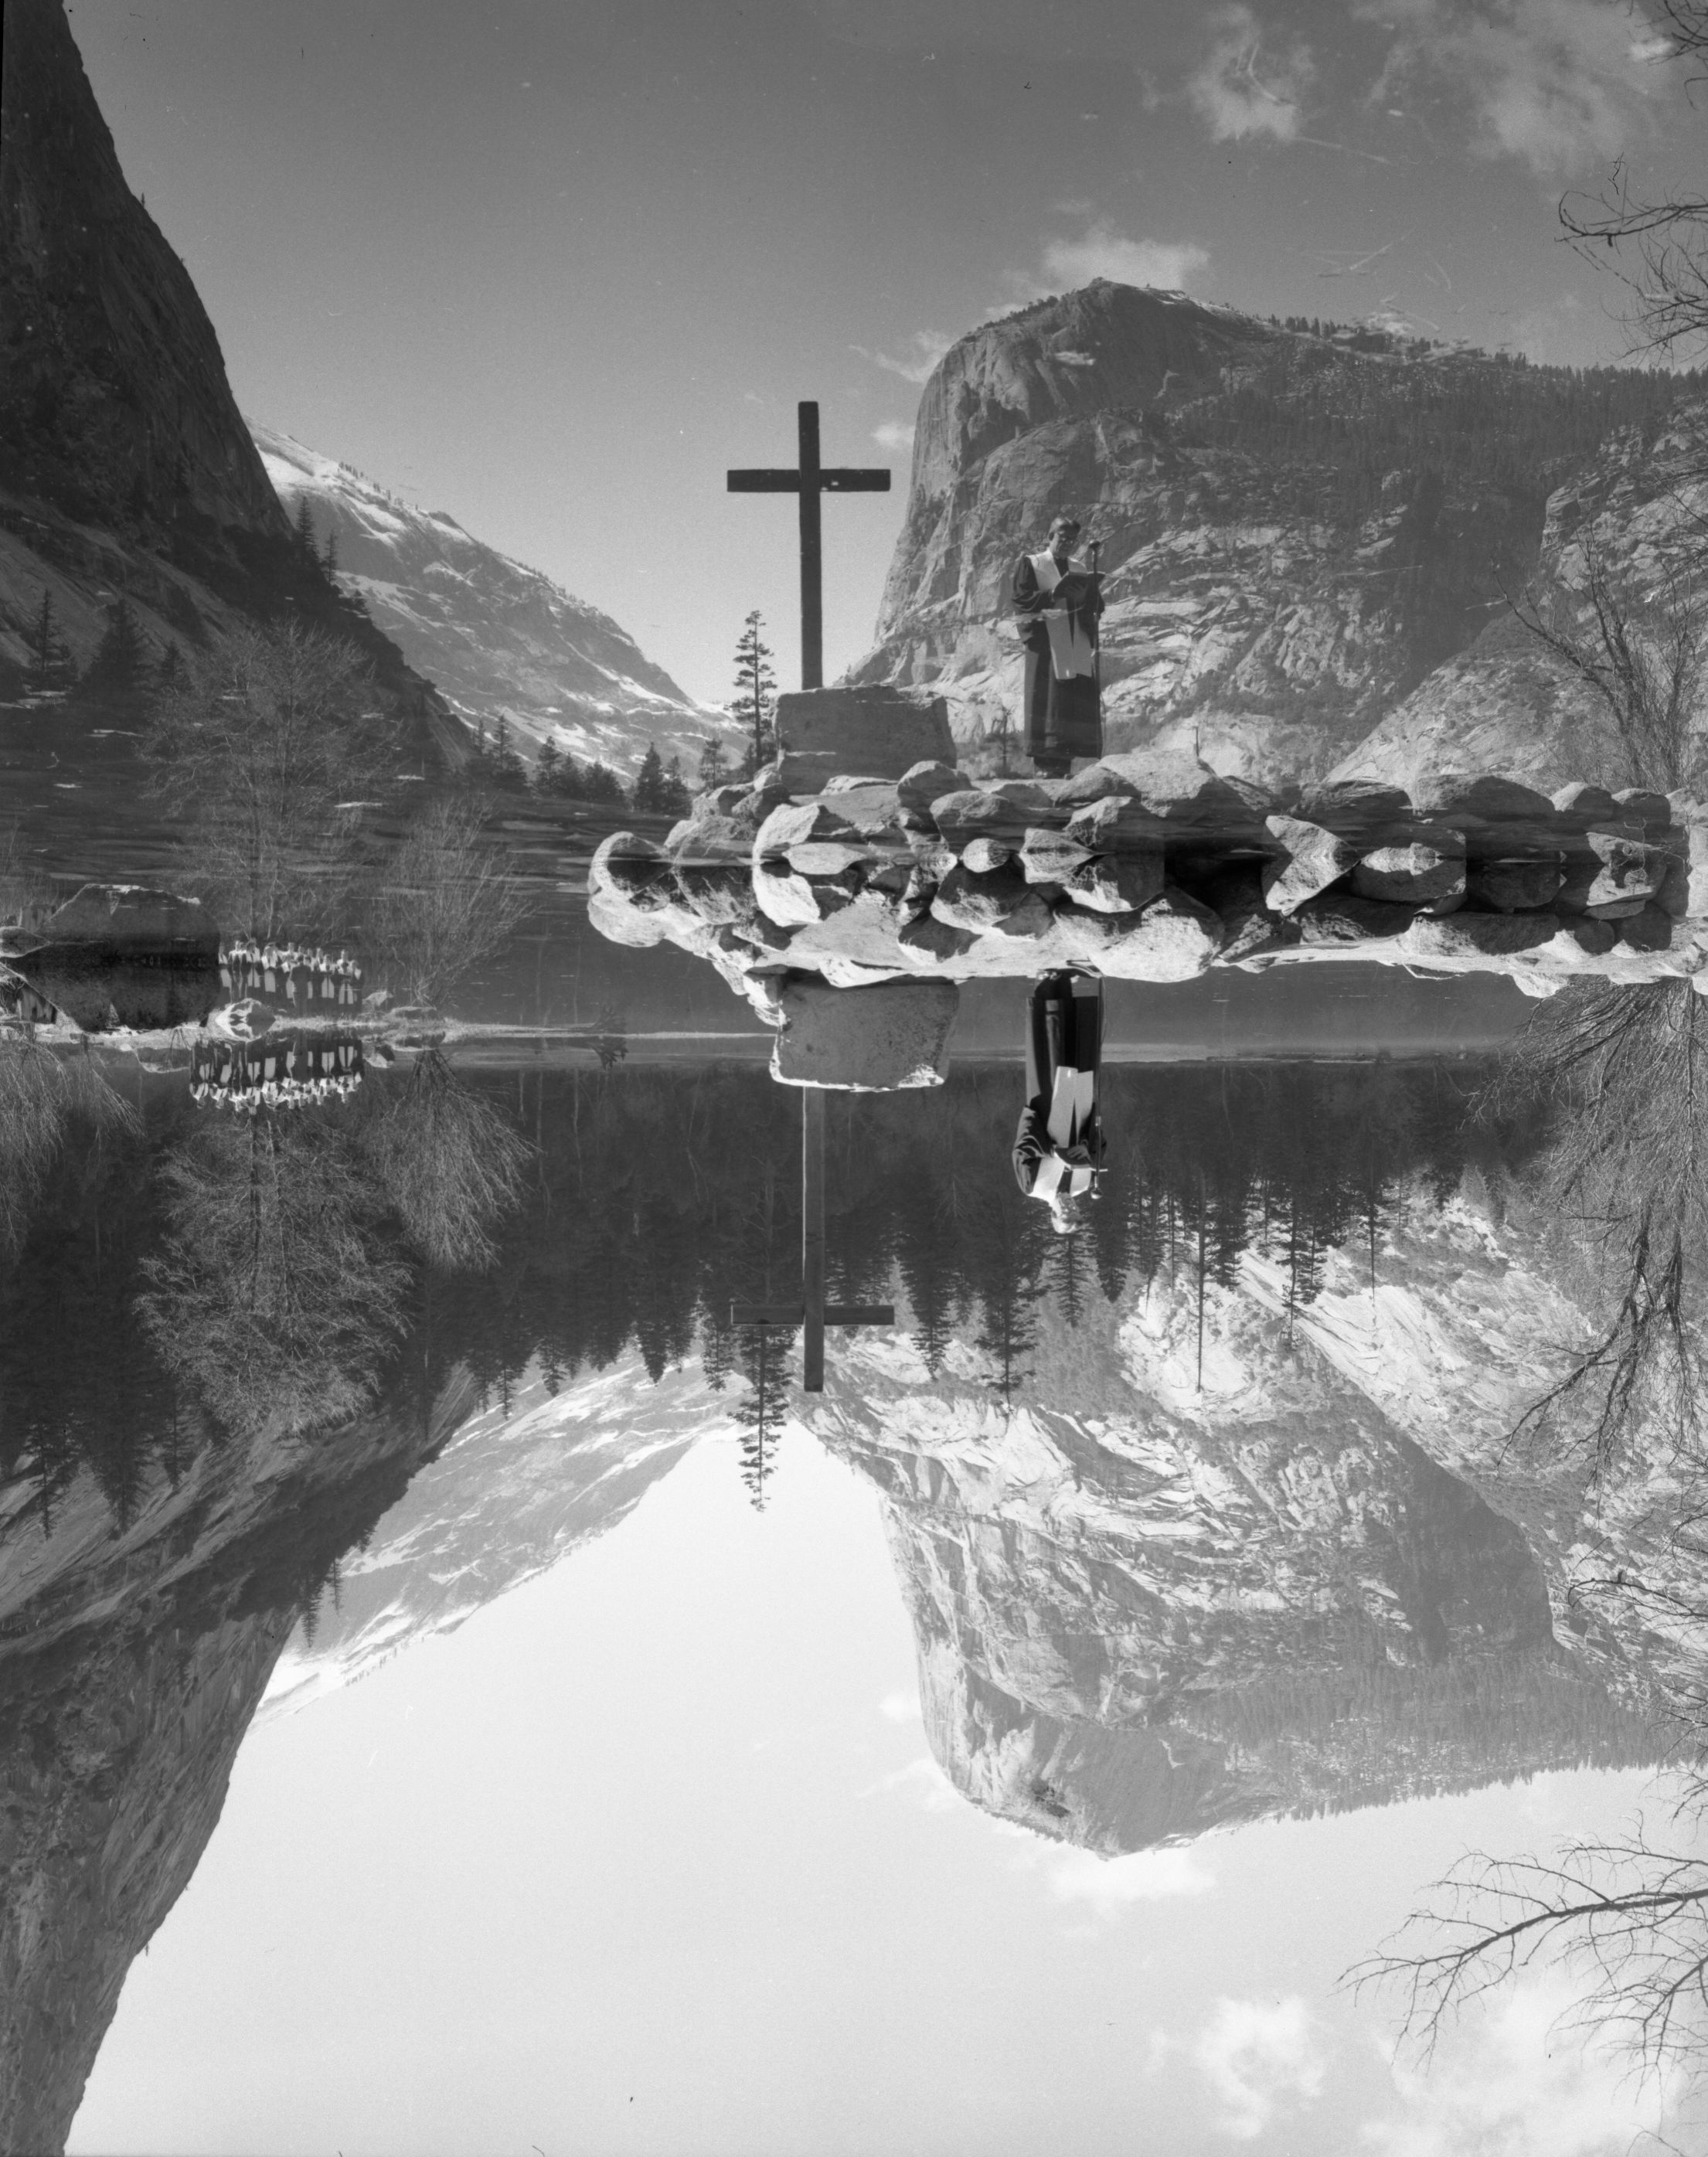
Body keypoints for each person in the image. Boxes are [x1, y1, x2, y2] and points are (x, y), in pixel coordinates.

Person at [1012, 513, 1104, 777]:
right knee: (1048, 702)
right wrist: (1053, 594)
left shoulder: (1079, 568)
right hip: (1046, 643)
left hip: (1075, 641)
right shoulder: (1032, 564)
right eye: (1062, 538)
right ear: (1050, 536)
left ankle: (1066, 764)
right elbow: (1021, 600)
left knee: (1070, 702)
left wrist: (1092, 600)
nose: (1067, 544)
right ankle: (1044, 766)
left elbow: (1094, 605)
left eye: (1073, 540)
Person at [1013, 969, 1104, 1233]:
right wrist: (1088, 1146)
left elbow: (1021, 1151)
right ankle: (1064, 980)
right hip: (1080, 1105)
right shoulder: (1084, 1184)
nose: (1070, 1210)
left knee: (1051, 1044)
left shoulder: (1033, 1188)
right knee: (1076, 1046)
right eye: (1075, 1214)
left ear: (1054, 1216)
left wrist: (1052, 1152)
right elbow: (1101, 1143)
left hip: (1048, 1108)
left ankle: (1045, 980)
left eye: (1065, 1217)